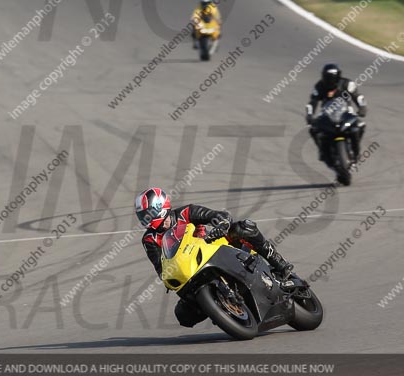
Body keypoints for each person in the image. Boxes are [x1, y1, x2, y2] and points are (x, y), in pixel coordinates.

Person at [135, 187, 294, 328]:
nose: (144, 219)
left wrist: (221, 224)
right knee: (183, 315)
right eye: (142, 215)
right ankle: (220, 308)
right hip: (189, 269)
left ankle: (280, 264)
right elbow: (160, 267)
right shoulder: (149, 239)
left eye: (146, 214)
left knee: (244, 227)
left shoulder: (186, 213)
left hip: (211, 247)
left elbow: (218, 216)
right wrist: (168, 278)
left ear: (159, 207)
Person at [306, 63, 367, 163]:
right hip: (327, 115)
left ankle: (355, 150)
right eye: (327, 77)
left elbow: (358, 96)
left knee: (360, 125)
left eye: (332, 78)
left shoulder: (347, 84)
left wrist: (362, 107)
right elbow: (313, 102)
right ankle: (322, 150)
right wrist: (310, 115)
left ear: (338, 76)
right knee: (313, 129)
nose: (329, 80)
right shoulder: (319, 86)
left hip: (346, 113)